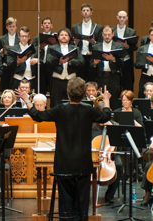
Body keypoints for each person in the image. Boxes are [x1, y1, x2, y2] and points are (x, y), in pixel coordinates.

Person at [15, 77, 112, 220]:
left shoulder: (60, 109)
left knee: (66, 202)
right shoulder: (88, 111)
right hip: (83, 166)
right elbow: (106, 116)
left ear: (68, 94)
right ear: (83, 94)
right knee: (82, 203)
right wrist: (106, 100)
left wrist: (27, 100)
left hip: (63, 165)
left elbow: (37, 115)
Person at [48, 28, 85, 108]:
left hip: (71, 81)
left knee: (72, 104)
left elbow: (82, 62)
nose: (64, 37)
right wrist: (59, 61)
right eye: (61, 35)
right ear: (58, 37)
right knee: (55, 104)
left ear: (69, 37)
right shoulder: (52, 48)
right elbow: (48, 62)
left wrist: (70, 61)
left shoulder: (75, 48)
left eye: (66, 35)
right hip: (57, 80)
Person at [93, 26, 124, 110]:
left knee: (114, 99)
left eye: (109, 34)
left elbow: (123, 63)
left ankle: (114, 119)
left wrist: (113, 59)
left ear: (113, 34)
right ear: (102, 35)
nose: (107, 36)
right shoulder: (96, 46)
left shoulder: (118, 46)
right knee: (100, 99)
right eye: (105, 34)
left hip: (114, 76)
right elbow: (90, 64)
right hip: (101, 76)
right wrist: (94, 64)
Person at [72, 3, 102, 82]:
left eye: (87, 10)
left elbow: (101, 44)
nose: (85, 12)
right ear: (81, 12)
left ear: (91, 12)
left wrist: (93, 42)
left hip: (92, 57)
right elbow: (71, 44)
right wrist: (75, 42)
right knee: (80, 81)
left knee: (92, 81)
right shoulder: (75, 27)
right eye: (84, 10)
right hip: (80, 57)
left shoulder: (98, 27)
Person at [8, 26, 40, 91]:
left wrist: (37, 60)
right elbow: (9, 64)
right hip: (17, 79)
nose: (24, 38)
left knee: (31, 100)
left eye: (26, 36)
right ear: (19, 36)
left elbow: (43, 61)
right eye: (22, 36)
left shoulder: (35, 49)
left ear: (29, 37)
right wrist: (18, 62)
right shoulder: (13, 49)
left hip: (31, 79)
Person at [115, 11, 138, 92]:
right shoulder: (112, 31)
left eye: (123, 17)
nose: (121, 19)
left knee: (127, 85)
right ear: (117, 17)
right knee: (116, 85)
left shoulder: (131, 32)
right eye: (120, 17)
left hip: (127, 61)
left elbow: (135, 47)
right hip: (115, 62)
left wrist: (127, 46)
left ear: (127, 18)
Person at [33, 17, 55, 94]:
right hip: (41, 66)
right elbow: (33, 53)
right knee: (41, 90)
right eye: (45, 23)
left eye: (48, 23)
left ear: (51, 25)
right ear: (41, 26)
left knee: (53, 90)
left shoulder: (55, 38)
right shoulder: (37, 38)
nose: (47, 25)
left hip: (52, 66)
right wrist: (39, 48)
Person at [0, 17, 19, 91]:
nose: (12, 28)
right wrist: (1, 53)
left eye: (13, 26)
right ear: (6, 27)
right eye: (10, 26)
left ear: (16, 27)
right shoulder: (1, 39)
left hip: (17, 67)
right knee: (6, 90)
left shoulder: (20, 38)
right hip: (6, 68)